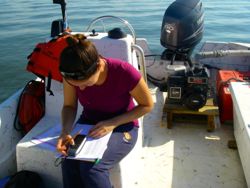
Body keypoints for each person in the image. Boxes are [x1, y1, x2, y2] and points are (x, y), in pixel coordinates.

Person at [56, 34, 153, 188]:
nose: (81, 88)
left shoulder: (124, 72)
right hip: (88, 123)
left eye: (86, 83)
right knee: (68, 162)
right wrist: (65, 131)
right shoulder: (71, 76)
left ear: (99, 66)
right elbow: (69, 106)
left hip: (123, 125)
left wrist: (112, 123)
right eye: (75, 85)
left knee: (92, 168)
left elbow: (147, 105)